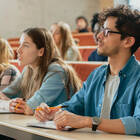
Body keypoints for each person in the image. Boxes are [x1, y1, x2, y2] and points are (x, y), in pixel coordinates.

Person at [35, 5, 140, 135]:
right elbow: (74, 105)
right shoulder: (97, 74)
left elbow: (138, 123)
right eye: (101, 30)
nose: (99, 36)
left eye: (107, 32)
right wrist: (54, 112)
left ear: (128, 41)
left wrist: (89, 121)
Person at [0, 27, 82, 115]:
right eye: (20, 44)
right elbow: (2, 95)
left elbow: (30, 108)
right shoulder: (28, 70)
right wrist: (10, 104)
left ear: (41, 51)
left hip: (64, 126)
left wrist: (10, 104)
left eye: (26, 45)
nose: (18, 50)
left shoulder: (57, 72)